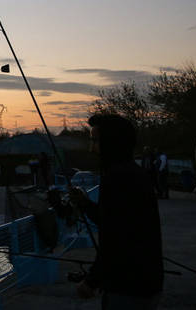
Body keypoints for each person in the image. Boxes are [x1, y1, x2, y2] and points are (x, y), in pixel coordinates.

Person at [69, 114, 163, 309]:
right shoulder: (133, 173)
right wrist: (85, 204)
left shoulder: (118, 178)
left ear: (112, 143)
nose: (91, 148)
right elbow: (112, 222)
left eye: (95, 141)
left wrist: (92, 281)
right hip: (145, 282)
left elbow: (115, 239)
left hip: (128, 287)